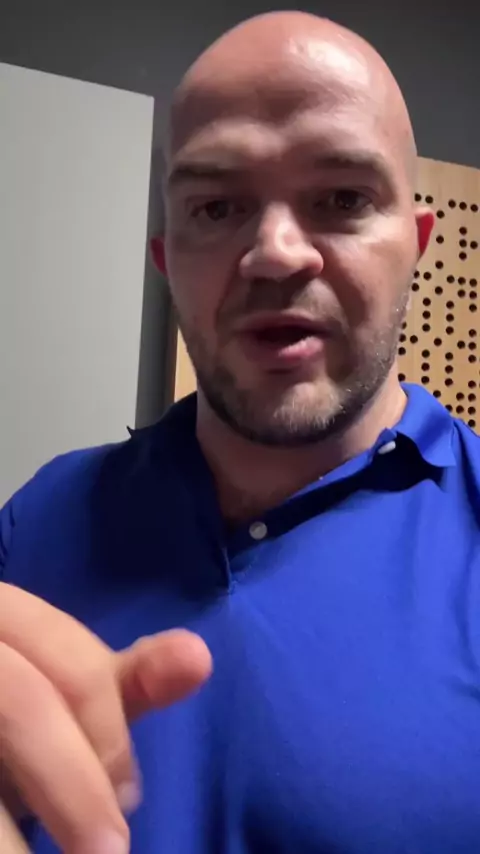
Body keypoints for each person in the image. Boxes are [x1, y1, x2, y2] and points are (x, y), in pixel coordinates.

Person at [1, 9, 479, 853]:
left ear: (416, 246)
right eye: (217, 206)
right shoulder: (39, 516)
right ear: (167, 263)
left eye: (342, 198)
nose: (276, 253)